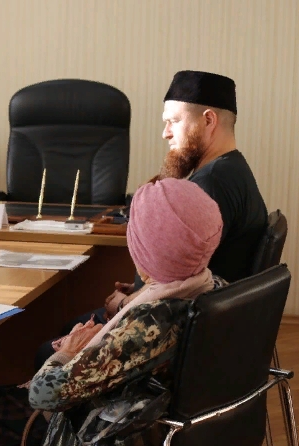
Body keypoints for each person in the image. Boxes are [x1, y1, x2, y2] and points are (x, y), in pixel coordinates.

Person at [0, 178, 227, 446]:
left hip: (90, 428)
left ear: (145, 247)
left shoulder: (148, 322)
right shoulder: (214, 288)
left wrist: (68, 352)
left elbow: (43, 395)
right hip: (149, 415)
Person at [34, 70, 267, 370]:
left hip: (181, 335)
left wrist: (124, 304)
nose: (165, 133)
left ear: (209, 120)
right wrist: (140, 290)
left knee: (48, 351)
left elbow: (182, 285)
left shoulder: (211, 185)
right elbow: (187, 272)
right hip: (200, 321)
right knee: (70, 326)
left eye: (174, 121)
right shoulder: (230, 170)